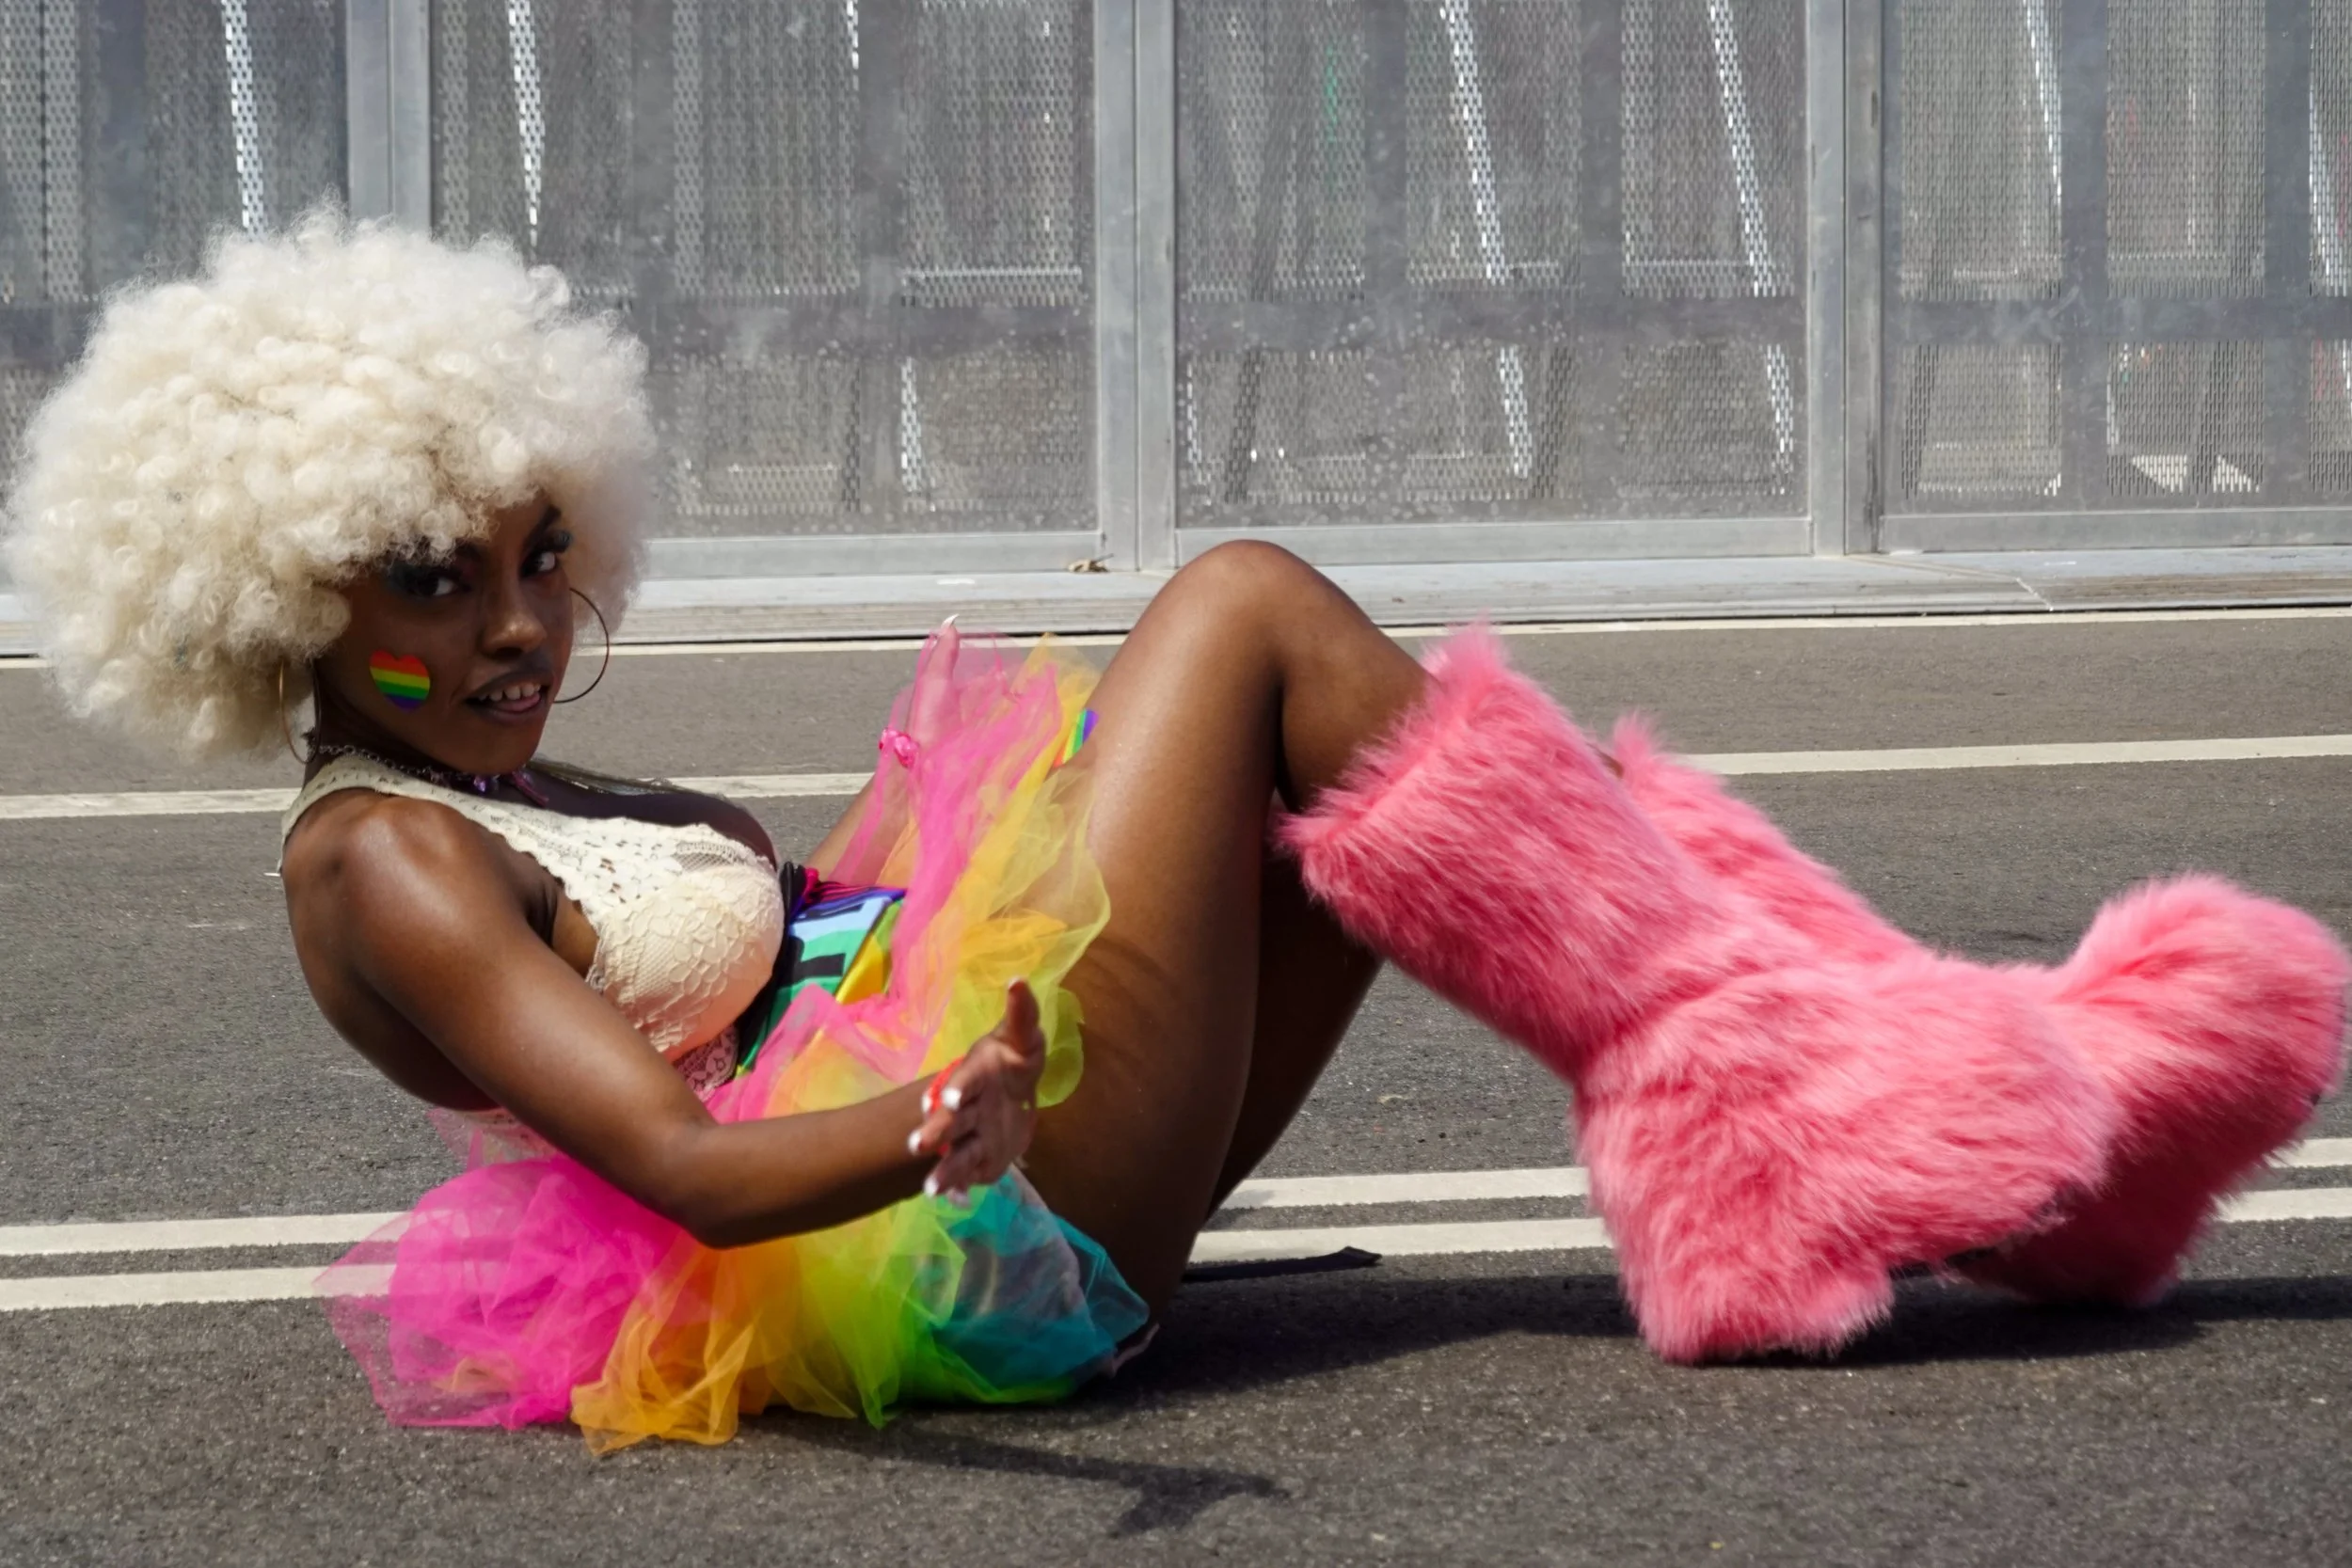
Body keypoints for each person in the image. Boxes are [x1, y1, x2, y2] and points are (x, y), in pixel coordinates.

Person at [8, 214, 2344, 1451]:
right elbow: (695, 1163)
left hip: (931, 1120)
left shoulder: (488, 782)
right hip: (934, 1252)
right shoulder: (386, 864)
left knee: (1436, 798)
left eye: (535, 553)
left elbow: (767, 946)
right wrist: (946, 1120)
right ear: (279, 594)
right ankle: (1815, 1110)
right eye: (434, 579)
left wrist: (956, 853)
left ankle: (1943, 1110)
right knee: (1239, 608)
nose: (515, 622)